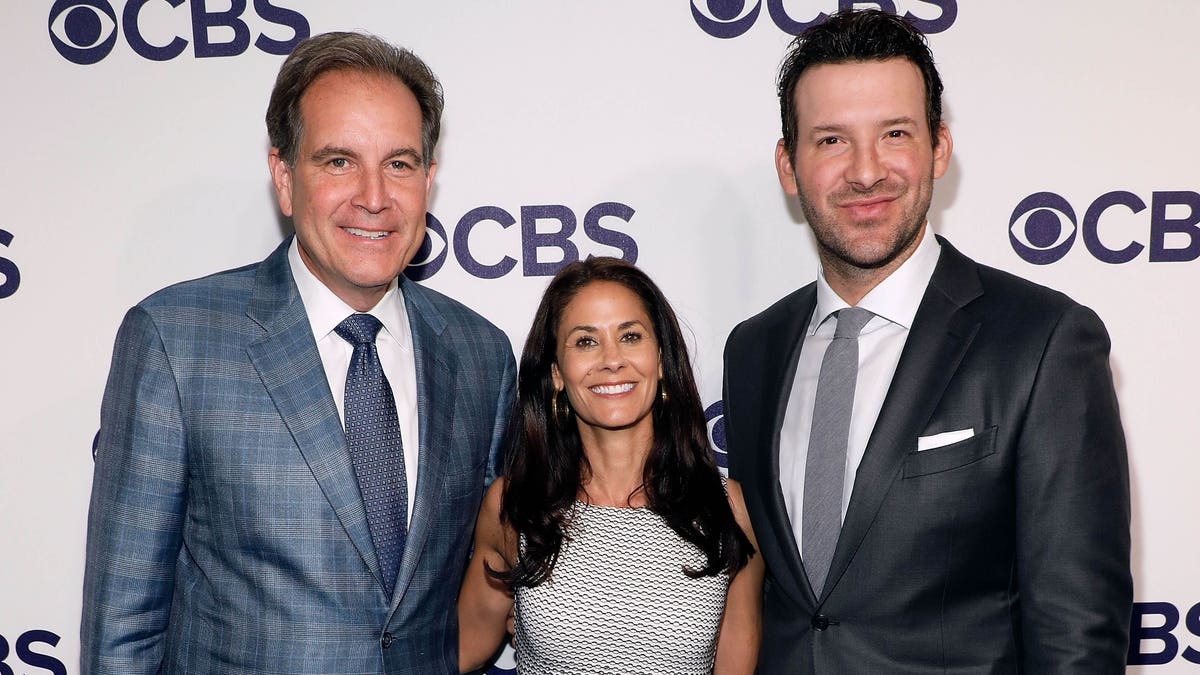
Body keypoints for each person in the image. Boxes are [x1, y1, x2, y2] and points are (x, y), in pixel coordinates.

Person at [81, 32, 515, 674]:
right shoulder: (176, 341)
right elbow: (122, 635)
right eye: (338, 161)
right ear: (284, 178)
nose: (374, 196)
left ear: (428, 178)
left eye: (398, 163)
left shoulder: (482, 355)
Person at [722, 9, 1132, 673]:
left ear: (938, 147)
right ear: (789, 164)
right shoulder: (753, 351)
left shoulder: (1042, 341)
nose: (865, 171)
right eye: (830, 140)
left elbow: (1078, 633)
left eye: (894, 133)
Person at [458, 257, 763, 674]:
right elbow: (451, 651)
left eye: (631, 336)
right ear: (557, 373)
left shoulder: (727, 509)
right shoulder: (515, 506)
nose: (611, 359)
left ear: (660, 358)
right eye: (585, 341)